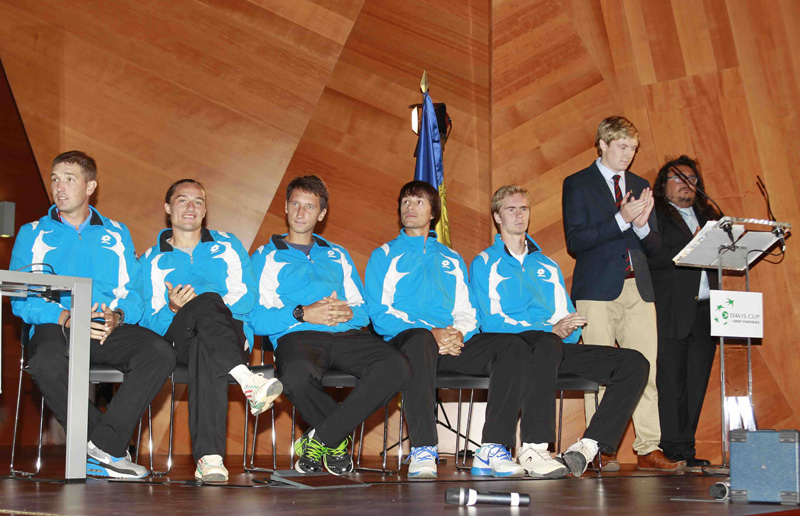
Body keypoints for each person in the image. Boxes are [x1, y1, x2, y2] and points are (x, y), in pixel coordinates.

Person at [10, 150, 175, 479]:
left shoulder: (116, 232)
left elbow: (135, 292)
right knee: (44, 361)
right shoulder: (33, 232)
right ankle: (107, 447)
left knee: (159, 352)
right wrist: (67, 317)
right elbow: (21, 298)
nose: (59, 187)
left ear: (90, 187)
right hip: (57, 325)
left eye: (69, 179)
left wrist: (119, 315)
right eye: (55, 179)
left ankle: (102, 447)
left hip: (103, 325)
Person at [469, 185, 649, 477]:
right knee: (544, 340)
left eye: (524, 209)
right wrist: (549, 329)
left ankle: (588, 446)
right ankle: (534, 447)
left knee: (634, 362)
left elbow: (567, 320)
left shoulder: (548, 265)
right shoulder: (485, 262)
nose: (519, 215)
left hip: (550, 350)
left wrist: (566, 329)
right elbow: (491, 322)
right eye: (511, 209)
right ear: (497, 217)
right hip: (510, 352)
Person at [365, 180, 532, 479]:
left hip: (449, 344)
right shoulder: (384, 254)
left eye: (418, 202)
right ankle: (423, 448)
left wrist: (457, 334)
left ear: (433, 212)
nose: (410, 207)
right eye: (405, 202)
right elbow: (379, 314)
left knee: (513, 345)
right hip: (405, 346)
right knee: (419, 339)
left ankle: (493, 447)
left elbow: (467, 311)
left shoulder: (451, 258)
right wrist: (432, 333)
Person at [249, 175, 411, 475]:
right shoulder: (265, 255)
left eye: (309, 207)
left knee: (397, 366)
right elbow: (256, 318)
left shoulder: (338, 254)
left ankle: (321, 437)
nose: (300, 213)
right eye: (295, 204)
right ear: (285, 207)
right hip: (298, 337)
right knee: (294, 377)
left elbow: (363, 311)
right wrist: (302, 313)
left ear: (321, 214)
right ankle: (335, 441)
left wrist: (347, 314)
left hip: (345, 334)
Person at [139, 179, 281, 482]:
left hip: (229, 335)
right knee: (204, 308)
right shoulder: (152, 258)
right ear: (168, 208)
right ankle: (246, 378)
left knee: (206, 336)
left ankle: (209, 459)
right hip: (177, 339)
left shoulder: (228, 245)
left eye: (198, 201)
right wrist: (173, 309)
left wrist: (207, 308)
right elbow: (148, 321)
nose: (191, 207)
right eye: (182, 200)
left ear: (205, 211)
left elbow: (248, 298)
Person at [562, 116, 682, 471]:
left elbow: (655, 248)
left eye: (633, 148)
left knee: (647, 369)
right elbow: (576, 241)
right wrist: (621, 219)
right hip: (597, 290)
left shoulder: (641, 184)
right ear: (602, 144)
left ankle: (648, 448)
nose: (629, 154)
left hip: (638, 288)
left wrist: (642, 227)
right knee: (599, 371)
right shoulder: (577, 183)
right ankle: (598, 449)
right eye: (622, 146)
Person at [649, 156, 720, 471]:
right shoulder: (656, 215)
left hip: (706, 309)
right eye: (677, 178)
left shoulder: (711, 217)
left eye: (691, 178)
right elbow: (653, 256)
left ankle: (686, 450)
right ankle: (671, 448)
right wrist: (693, 246)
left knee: (696, 381)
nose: (686, 184)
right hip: (671, 308)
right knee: (671, 381)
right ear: (663, 186)